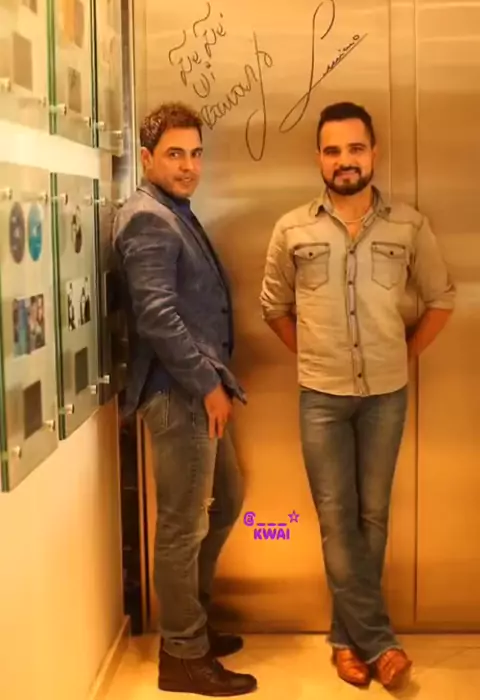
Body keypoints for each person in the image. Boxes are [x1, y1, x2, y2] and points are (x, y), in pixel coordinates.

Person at [260, 102, 455, 690]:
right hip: (321, 398)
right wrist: (315, 356)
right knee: (336, 519)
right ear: (319, 158)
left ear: (373, 152)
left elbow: (441, 298)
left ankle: (347, 642)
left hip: (386, 397)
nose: (345, 160)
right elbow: (273, 307)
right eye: (333, 150)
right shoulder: (292, 229)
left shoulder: (409, 226)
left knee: (373, 516)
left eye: (355, 148)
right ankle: (379, 644)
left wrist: (404, 353)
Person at [112, 102, 257, 696]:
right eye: (175, 154)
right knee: (181, 526)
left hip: (195, 391)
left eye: (196, 154)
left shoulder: (172, 210)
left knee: (225, 503)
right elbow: (157, 317)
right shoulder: (147, 219)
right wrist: (208, 386)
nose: (189, 165)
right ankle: (183, 656)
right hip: (178, 394)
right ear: (148, 158)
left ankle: (189, 624)